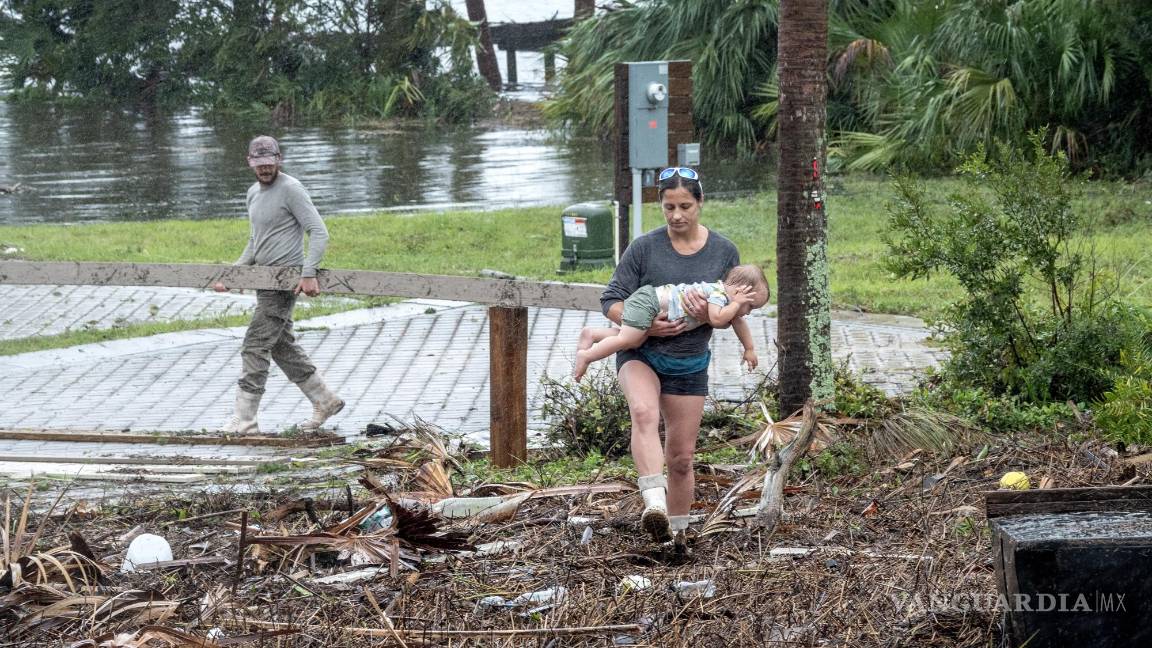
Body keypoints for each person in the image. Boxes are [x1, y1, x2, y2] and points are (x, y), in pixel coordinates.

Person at [600, 166, 762, 546]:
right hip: (641, 352)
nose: (677, 215)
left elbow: (735, 307)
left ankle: (676, 537)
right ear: (660, 205)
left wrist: (733, 331)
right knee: (643, 413)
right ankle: (653, 503)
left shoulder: (724, 251)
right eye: (669, 207)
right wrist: (647, 326)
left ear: (700, 203)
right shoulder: (644, 248)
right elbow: (610, 301)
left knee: (682, 459)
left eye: (685, 206)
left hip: (689, 363)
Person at [212, 135, 345, 436]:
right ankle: (326, 401)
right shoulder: (252, 194)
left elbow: (319, 232)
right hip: (263, 281)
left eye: (270, 163)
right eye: (259, 164)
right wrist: (234, 275)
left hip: (284, 283)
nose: (265, 169)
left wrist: (308, 273)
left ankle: (244, 421)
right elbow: (254, 241)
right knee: (281, 346)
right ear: (250, 162)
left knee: (255, 345)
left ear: (279, 159)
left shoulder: (291, 189)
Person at [573, 263, 769, 382]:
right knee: (627, 339)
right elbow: (717, 320)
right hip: (649, 302)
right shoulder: (717, 294)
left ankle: (593, 334)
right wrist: (737, 305)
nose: (748, 312)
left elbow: (738, 322)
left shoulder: (728, 301)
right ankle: (587, 356)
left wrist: (749, 348)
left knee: (635, 339)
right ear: (739, 293)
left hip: (651, 302)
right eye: (750, 306)